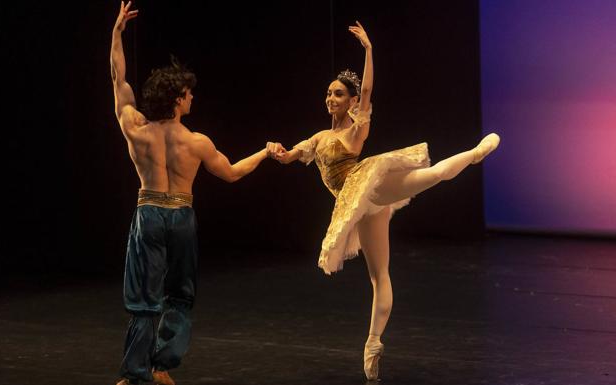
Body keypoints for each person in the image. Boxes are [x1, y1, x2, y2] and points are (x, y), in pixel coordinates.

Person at [266, 21, 499, 380]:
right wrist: (278, 151)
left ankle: (474, 154)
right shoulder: (318, 136)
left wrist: (369, 50)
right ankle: (373, 345)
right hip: (356, 205)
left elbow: (369, 87)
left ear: (352, 102)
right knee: (378, 276)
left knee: (433, 175)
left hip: (369, 185)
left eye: (339, 94)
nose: (331, 98)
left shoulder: (357, 128)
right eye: (328, 93)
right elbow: (292, 155)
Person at [110, 2, 272, 384]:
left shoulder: (136, 129)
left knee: (144, 298)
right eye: (187, 93)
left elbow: (118, 81)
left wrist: (116, 34)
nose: (192, 98)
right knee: (178, 295)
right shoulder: (197, 142)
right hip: (181, 216)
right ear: (177, 99)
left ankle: (137, 373)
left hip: (149, 212)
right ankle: (161, 366)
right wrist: (265, 152)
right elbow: (232, 173)